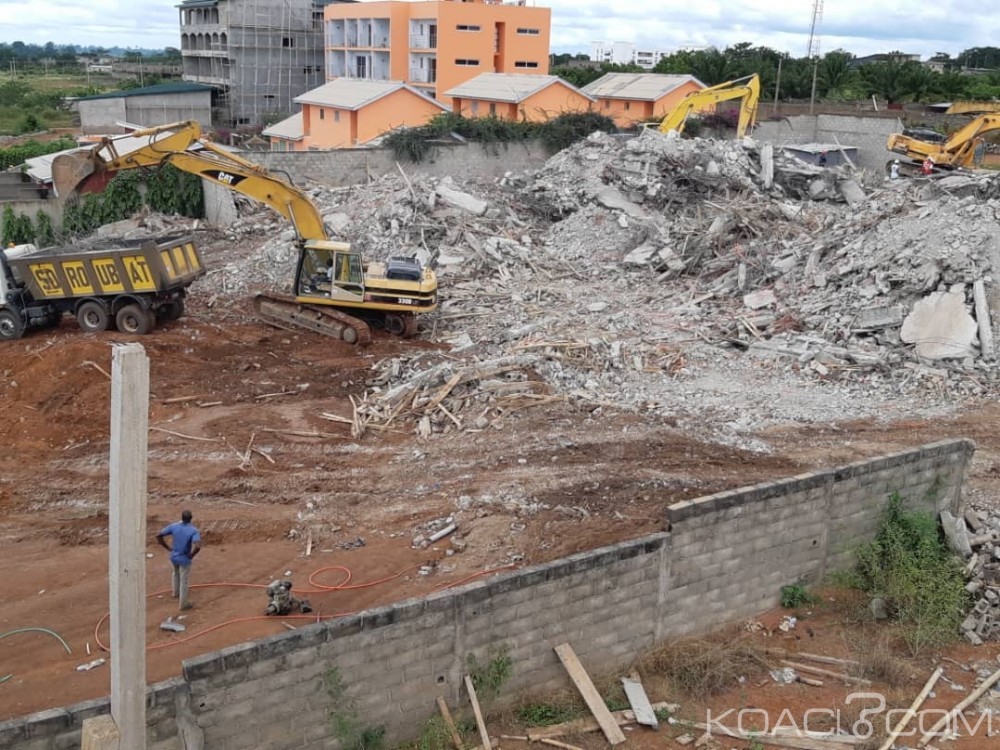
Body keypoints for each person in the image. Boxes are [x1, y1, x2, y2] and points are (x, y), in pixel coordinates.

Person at [156, 510, 201, 610]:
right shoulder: (193, 530)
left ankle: (175, 592)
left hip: (174, 556)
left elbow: (159, 535)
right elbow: (198, 546)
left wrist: (167, 548)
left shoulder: (174, 526)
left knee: (176, 573)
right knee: (184, 580)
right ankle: (183, 604)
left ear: (182, 517)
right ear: (191, 518)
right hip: (184, 558)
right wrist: (191, 555)